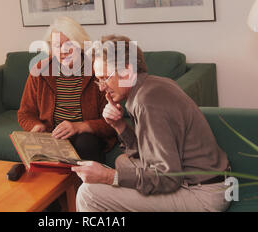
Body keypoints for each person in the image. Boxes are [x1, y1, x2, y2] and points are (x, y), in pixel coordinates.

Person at [71, 35, 231, 212]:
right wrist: (119, 125)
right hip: (208, 181)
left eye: (105, 78)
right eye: (98, 79)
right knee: (123, 162)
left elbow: (168, 178)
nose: (101, 87)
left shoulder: (147, 101)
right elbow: (147, 155)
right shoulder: (152, 85)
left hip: (204, 194)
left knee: (89, 194)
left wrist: (108, 177)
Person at [17, 17, 117, 163]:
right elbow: (25, 113)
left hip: (88, 136)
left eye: (69, 44)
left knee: (85, 143)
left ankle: (90, 185)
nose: (63, 51)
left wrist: (79, 126)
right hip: (53, 136)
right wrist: (36, 126)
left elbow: (111, 122)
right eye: (57, 45)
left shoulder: (97, 69)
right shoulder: (40, 70)